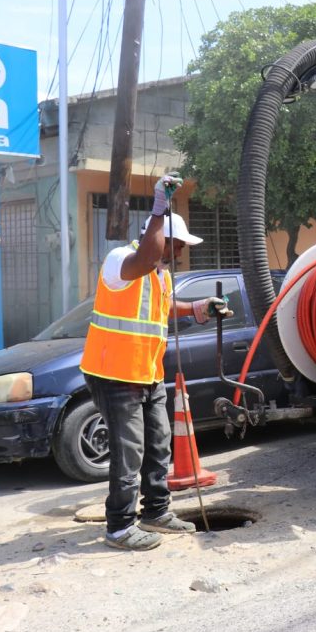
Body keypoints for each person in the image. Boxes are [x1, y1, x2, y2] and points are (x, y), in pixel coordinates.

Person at [80, 174, 232, 551]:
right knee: (129, 451)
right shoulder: (122, 261)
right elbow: (147, 256)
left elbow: (162, 309)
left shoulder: (159, 276)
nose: (179, 252)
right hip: (114, 374)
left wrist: (198, 308)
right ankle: (118, 527)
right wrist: (160, 207)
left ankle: (156, 512)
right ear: (161, 237)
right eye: (176, 244)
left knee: (159, 444)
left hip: (146, 374)